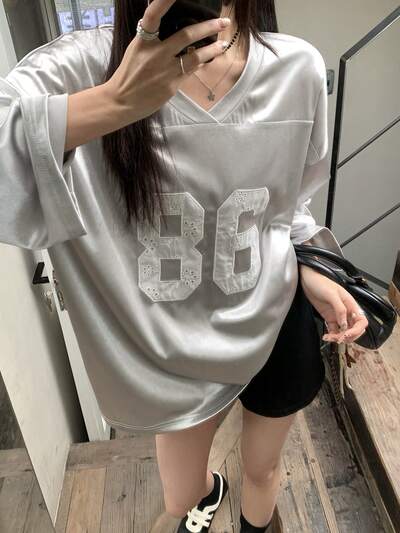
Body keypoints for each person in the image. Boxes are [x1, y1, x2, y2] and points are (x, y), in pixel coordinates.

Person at [0, 0, 368, 531]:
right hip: (176, 353)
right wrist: (113, 103)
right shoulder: (85, 67)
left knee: (263, 471)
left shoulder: (297, 68)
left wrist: (311, 267)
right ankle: (207, 494)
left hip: (275, 317)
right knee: (180, 494)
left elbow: (288, 206)